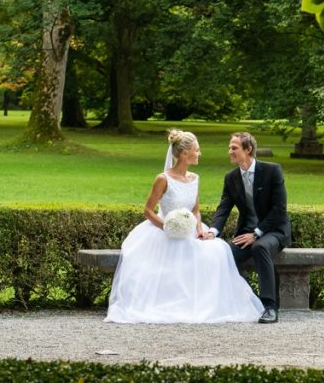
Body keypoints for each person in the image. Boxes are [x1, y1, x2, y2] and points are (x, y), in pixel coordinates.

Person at [105, 130, 265, 324]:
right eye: (196, 150)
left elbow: (196, 209)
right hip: (162, 231)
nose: (200, 154)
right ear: (183, 154)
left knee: (216, 252)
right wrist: (168, 227)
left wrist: (199, 229)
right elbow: (148, 211)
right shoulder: (163, 179)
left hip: (190, 230)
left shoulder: (195, 178)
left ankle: (202, 304)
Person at [209, 132, 291, 324]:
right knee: (224, 253)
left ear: (248, 149)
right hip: (247, 232)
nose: (230, 151)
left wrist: (257, 233)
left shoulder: (272, 171)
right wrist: (212, 232)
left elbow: (280, 209)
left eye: (234, 148)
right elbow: (224, 208)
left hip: (274, 231)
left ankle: (270, 307)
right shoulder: (231, 178)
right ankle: (250, 301)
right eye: (230, 147)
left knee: (260, 247)